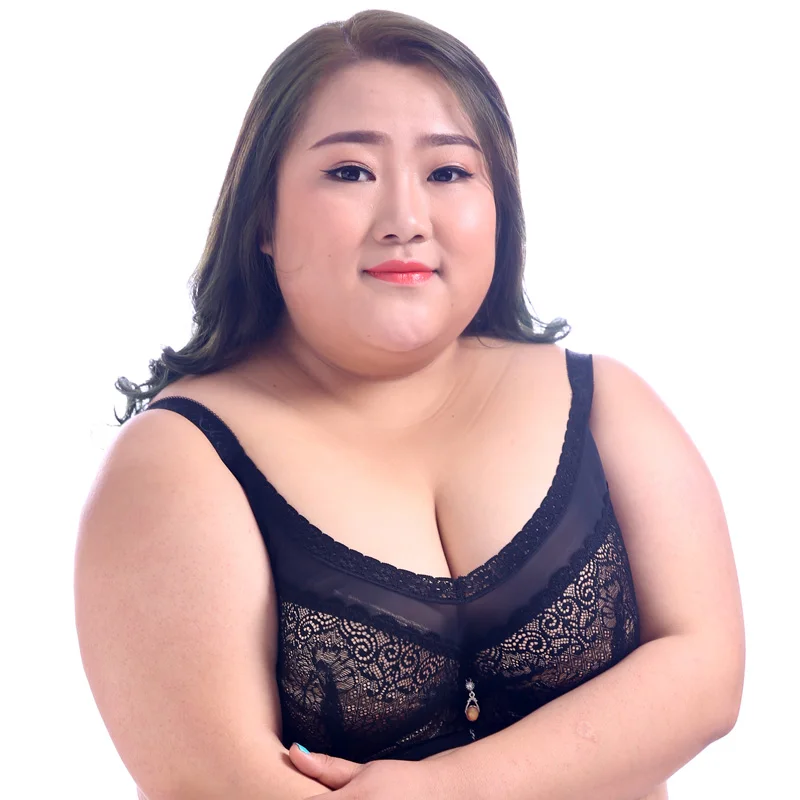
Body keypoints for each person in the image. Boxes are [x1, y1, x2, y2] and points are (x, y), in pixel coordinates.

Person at [73, 9, 745, 800]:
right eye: (350, 172)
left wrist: (445, 789)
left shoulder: (601, 403)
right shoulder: (180, 461)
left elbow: (707, 672)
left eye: (448, 173)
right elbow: (221, 783)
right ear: (262, 216)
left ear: (500, 205)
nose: (405, 221)